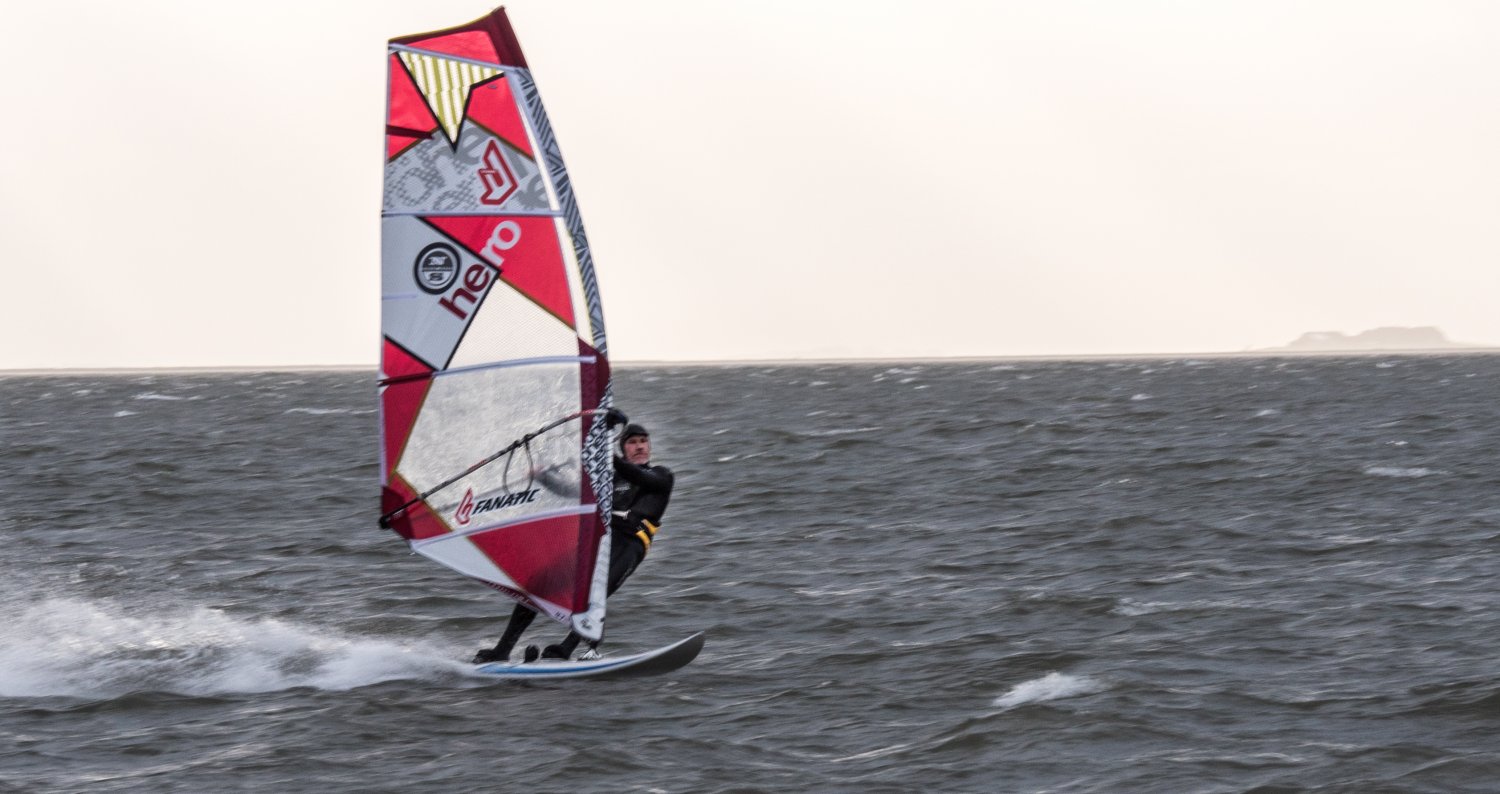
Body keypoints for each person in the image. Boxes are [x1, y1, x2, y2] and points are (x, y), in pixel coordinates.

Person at [473, 415, 674, 663]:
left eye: (644, 441)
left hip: (630, 542)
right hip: (599, 540)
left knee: (597, 592)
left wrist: (605, 453)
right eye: (633, 442)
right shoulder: (610, 479)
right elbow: (574, 491)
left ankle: (566, 648)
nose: (640, 446)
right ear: (624, 448)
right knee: (538, 585)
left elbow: (641, 478)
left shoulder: (662, 475)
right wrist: (543, 477)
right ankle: (502, 649)